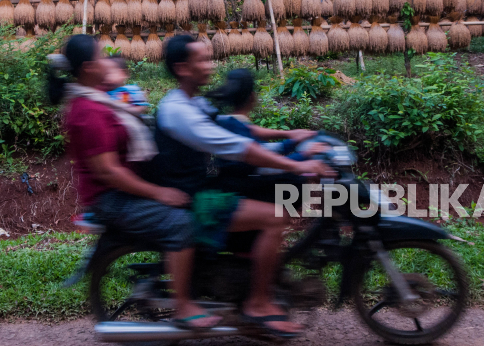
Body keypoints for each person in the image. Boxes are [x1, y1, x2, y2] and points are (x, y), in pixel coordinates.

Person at [143, 34, 334, 337]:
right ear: (182, 68)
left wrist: (289, 134)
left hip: (206, 186)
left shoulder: (194, 102)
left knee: (268, 199)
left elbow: (241, 128)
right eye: (202, 60)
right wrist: (298, 164)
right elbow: (239, 146)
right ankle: (257, 304)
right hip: (197, 198)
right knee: (276, 217)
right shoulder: (178, 110)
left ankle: (251, 286)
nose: (210, 66)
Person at [48, 35, 221, 330]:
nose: (110, 61)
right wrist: (160, 193)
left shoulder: (96, 93)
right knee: (180, 222)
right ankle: (183, 307)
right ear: (89, 67)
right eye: (103, 57)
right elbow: (109, 172)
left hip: (125, 189)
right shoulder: (87, 112)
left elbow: (121, 86)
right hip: (113, 199)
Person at [206, 68, 327, 205]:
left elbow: (262, 150)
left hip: (234, 185)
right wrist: (304, 155)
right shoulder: (238, 127)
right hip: (241, 190)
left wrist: (292, 141)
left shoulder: (226, 121)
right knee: (295, 184)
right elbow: (266, 165)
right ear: (252, 97)